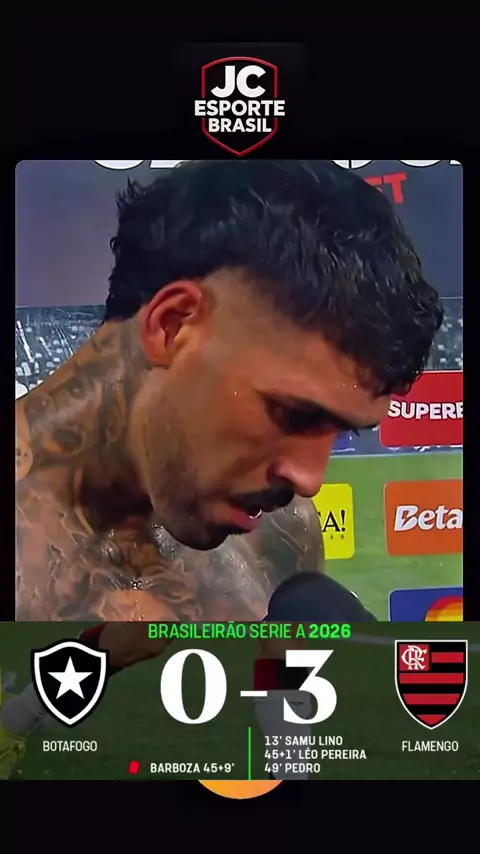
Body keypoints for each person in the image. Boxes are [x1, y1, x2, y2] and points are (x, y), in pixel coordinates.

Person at [7, 159, 443, 778]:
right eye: (293, 413)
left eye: (339, 431)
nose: (311, 480)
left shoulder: (281, 529)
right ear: (173, 326)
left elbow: (283, 745)